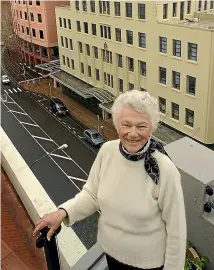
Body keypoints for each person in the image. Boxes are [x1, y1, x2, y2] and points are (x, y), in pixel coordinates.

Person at [34, 90, 187, 270]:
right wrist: (62, 213)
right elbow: (91, 195)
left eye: (141, 126)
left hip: (149, 264)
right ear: (116, 125)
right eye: (126, 125)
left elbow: (176, 231)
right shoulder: (107, 151)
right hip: (112, 255)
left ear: (152, 129)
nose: (133, 133)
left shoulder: (164, 170)